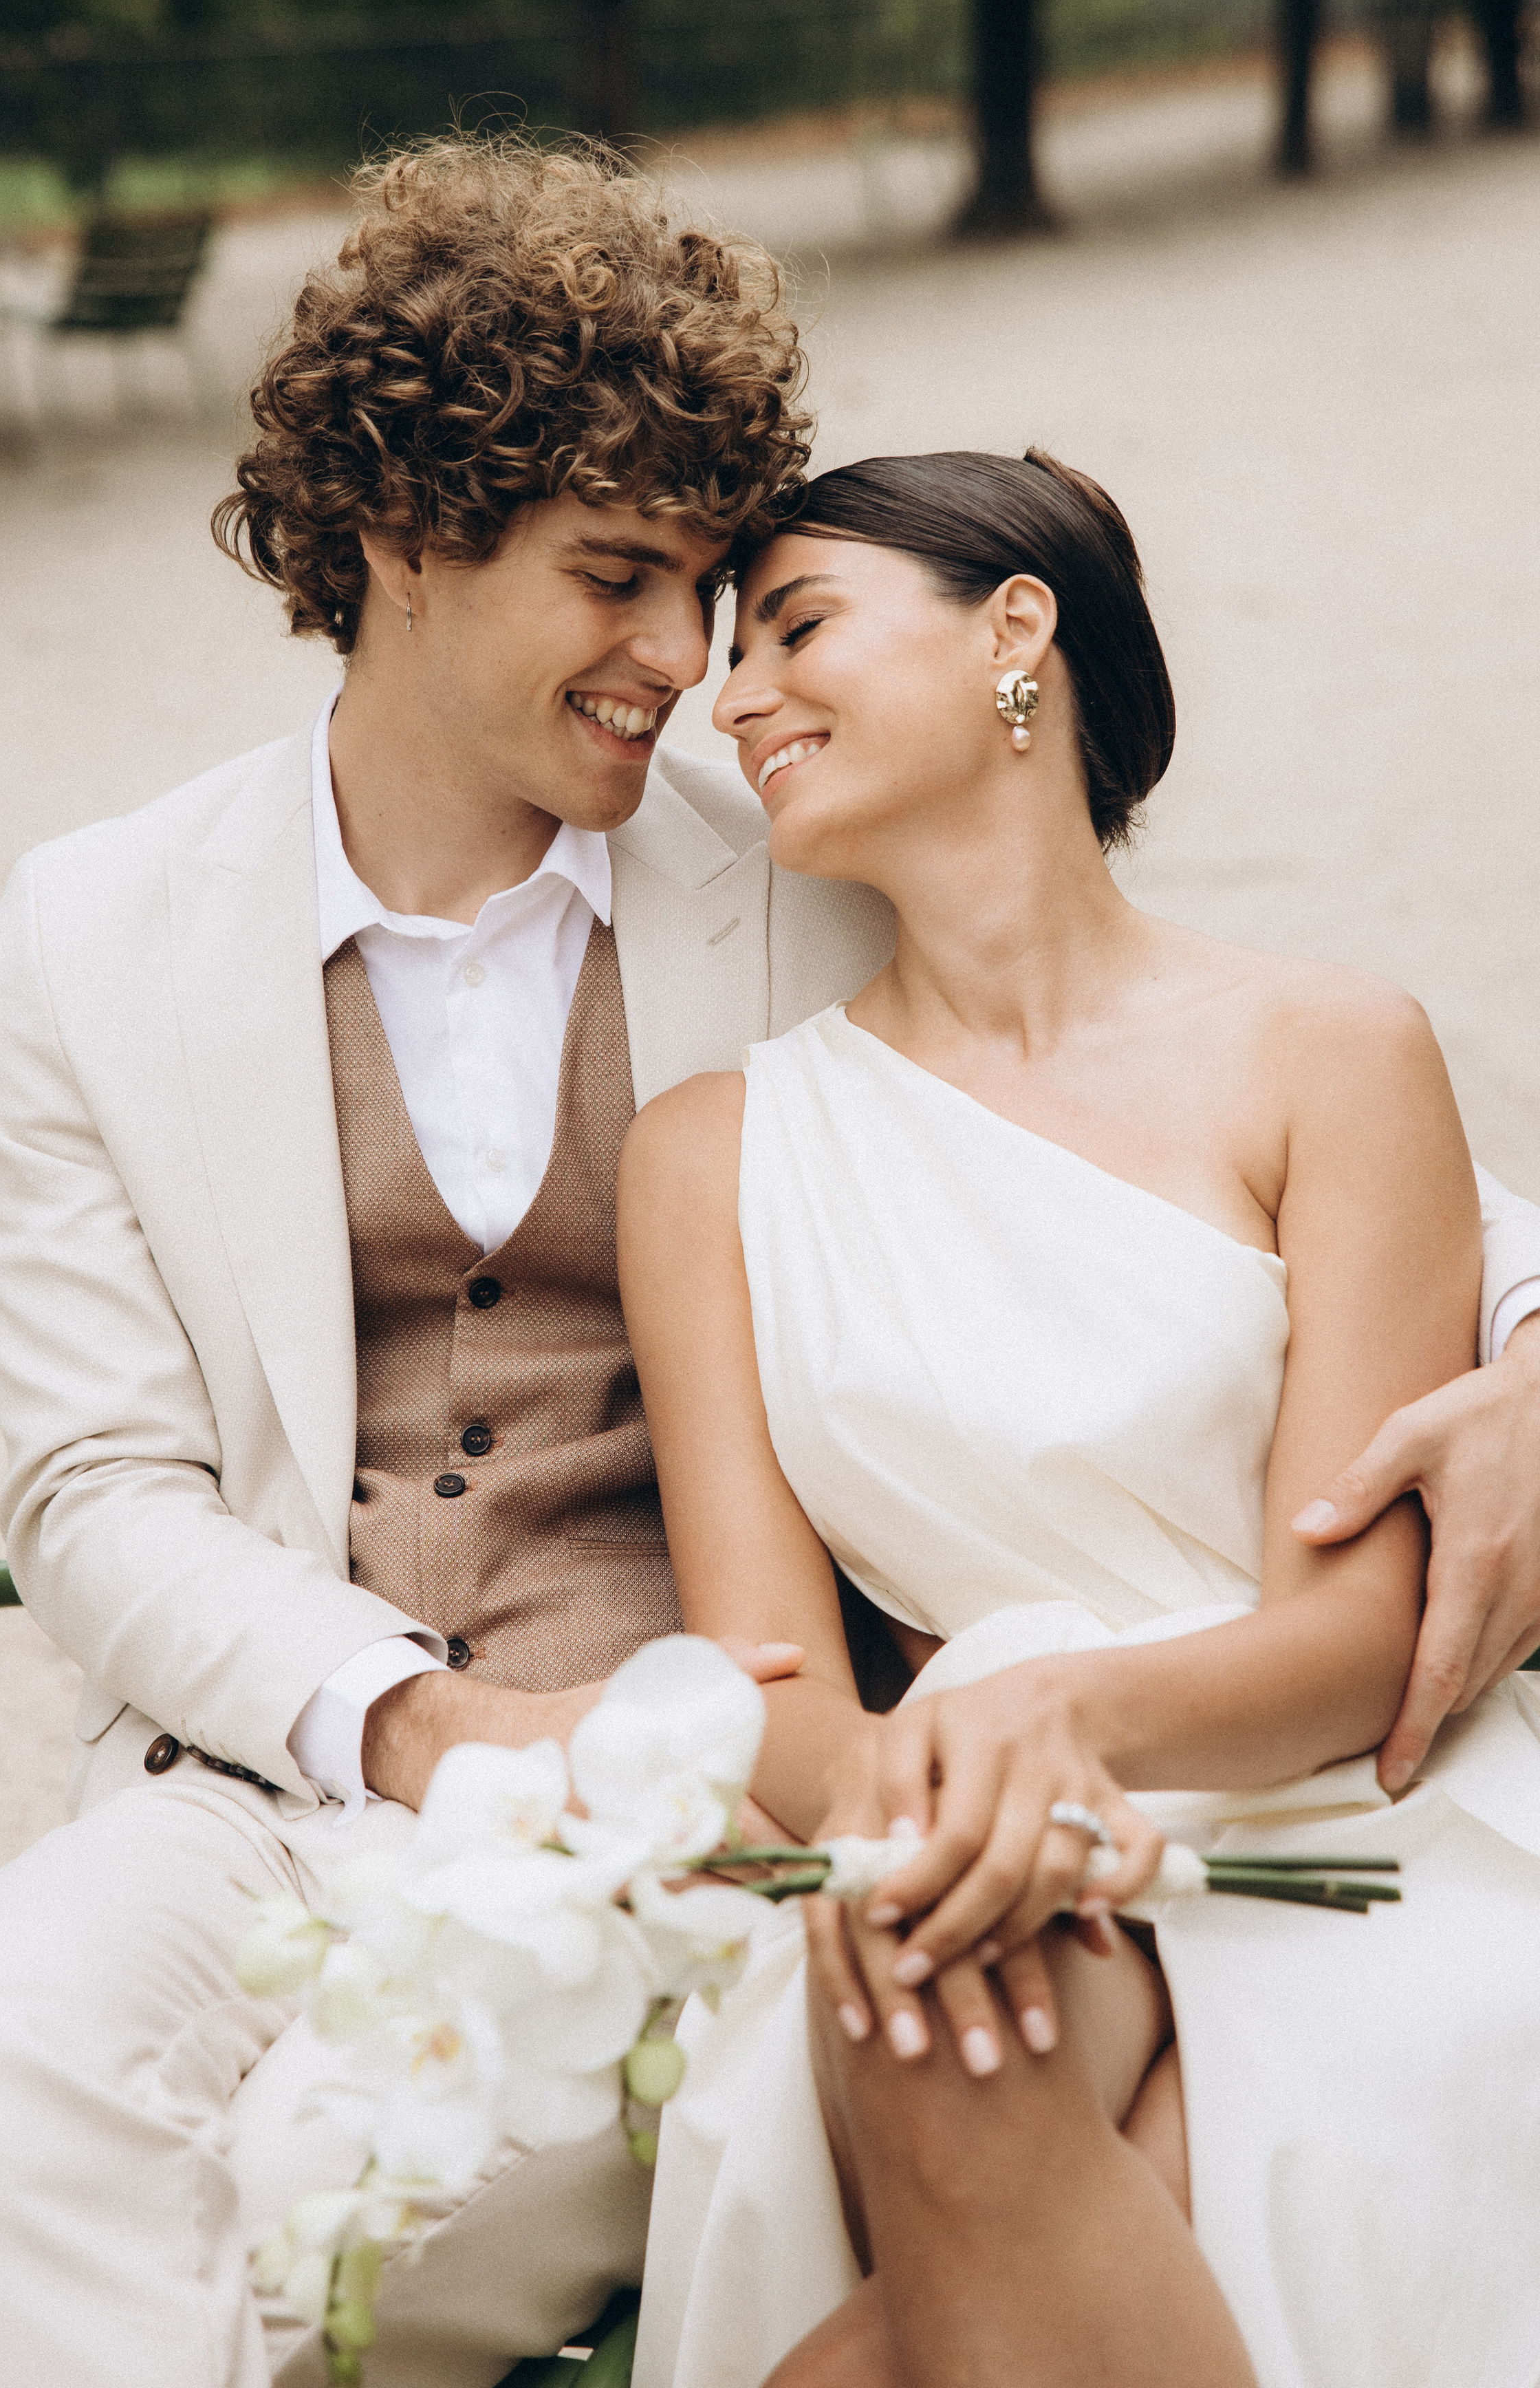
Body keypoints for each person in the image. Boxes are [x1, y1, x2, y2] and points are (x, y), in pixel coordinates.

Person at [0, 133, 1539, 2385]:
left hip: (702, 1808)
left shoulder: (811, 849)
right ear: (403, 535)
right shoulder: (96, 931)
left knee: (319, 2220)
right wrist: (421, 1722)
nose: (689, 666)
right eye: (622, 580)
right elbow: (92, 1490)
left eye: (722, 593)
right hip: (255, 1780)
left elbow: (1219, 1127)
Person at [620, 449, 1540, 2388]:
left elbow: (1364, 1635)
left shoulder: (1331, 1050)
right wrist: (941, 1801)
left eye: (794, 627)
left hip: (1345, 1808)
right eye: (730, 655)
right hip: (958, 1815)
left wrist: (1062, 1722)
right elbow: (761, 1679)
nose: (733, 697)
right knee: (921, 1968)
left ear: (1015, 630)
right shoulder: (711, 1156)